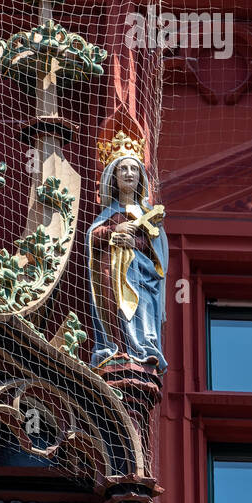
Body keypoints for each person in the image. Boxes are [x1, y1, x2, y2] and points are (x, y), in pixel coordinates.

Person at [87, 133, 168, 370]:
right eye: (123, 169)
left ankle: (141, 349)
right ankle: (117, 349)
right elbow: (92, 236)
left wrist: (135, 243)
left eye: (134, 169)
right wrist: (114, 230)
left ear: (140, 176)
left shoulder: (147, 214)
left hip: (141, 275)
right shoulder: (109, 212)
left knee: (140, 307)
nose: (129, 174)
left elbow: (156, 251)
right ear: (114, 175)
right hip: (112, 271)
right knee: (113, 306)